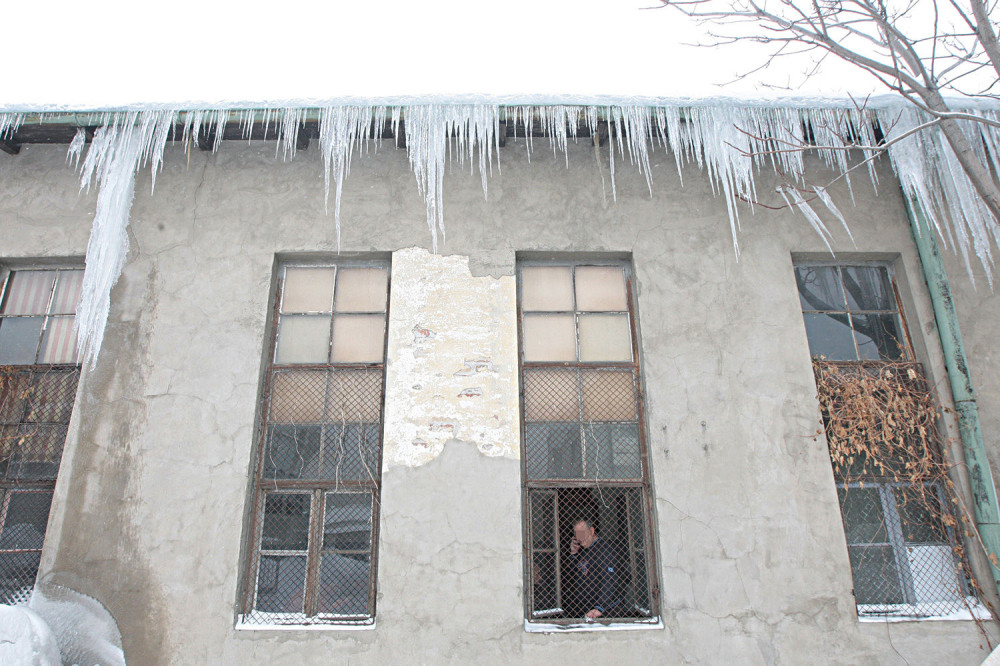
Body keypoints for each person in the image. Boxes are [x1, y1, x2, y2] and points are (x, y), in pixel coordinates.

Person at [568, 518, 620, 620]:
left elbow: (609, 579)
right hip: (586, 609)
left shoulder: (604, 550)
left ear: (591, 531)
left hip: (602, 612)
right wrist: (574, 554)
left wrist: (600, 607)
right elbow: (578, 571)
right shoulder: (585, 549)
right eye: (578, 534)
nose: (580, 538)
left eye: (582, 533)